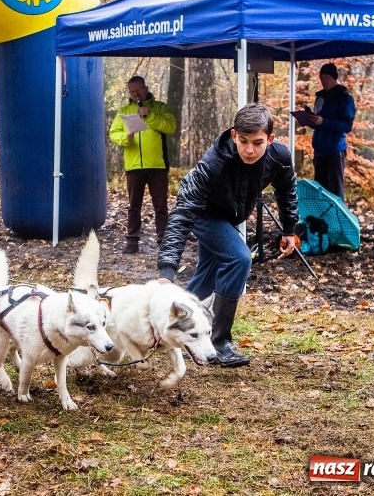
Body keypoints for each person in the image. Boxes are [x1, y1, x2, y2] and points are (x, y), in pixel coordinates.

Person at [157, 103, 298, 368]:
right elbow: (182, 215)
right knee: (238, 258)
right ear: (234, 135)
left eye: (257, 143)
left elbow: (287, 189)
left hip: (230, 216)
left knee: (207, 279)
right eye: (243, 141)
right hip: (203, 213)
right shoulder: (214, 163)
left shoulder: (279, 156)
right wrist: (167, 271)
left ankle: (166, 325)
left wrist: (289, 229)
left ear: (270, 139)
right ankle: (220, 342)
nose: (249, 150)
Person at [109, 75, 176, 254]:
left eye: (138, 90)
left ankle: (164, 242)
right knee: (133, 206)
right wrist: (125, 138)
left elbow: (170, 127)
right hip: (133, 166)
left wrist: (151, 116)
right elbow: (113, 133)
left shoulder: (159, 107)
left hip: (157, 165)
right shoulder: (124, 111)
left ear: (145, 88)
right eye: (132, 92)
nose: (136, 95)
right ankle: (132, 242)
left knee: (161, 206)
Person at [304, 63, 355, 202]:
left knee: (335, 191)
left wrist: (324, 122)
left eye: (326, 77)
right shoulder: (320, 97)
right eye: (321, 77)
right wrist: (310, 120)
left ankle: (338, 222)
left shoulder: (344, 98)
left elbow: (347, 125)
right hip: (319, 150)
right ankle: (321, 222)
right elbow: (318, 122)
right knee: (320, 191)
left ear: (334, 78)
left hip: (334, 149)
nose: (323, 80)